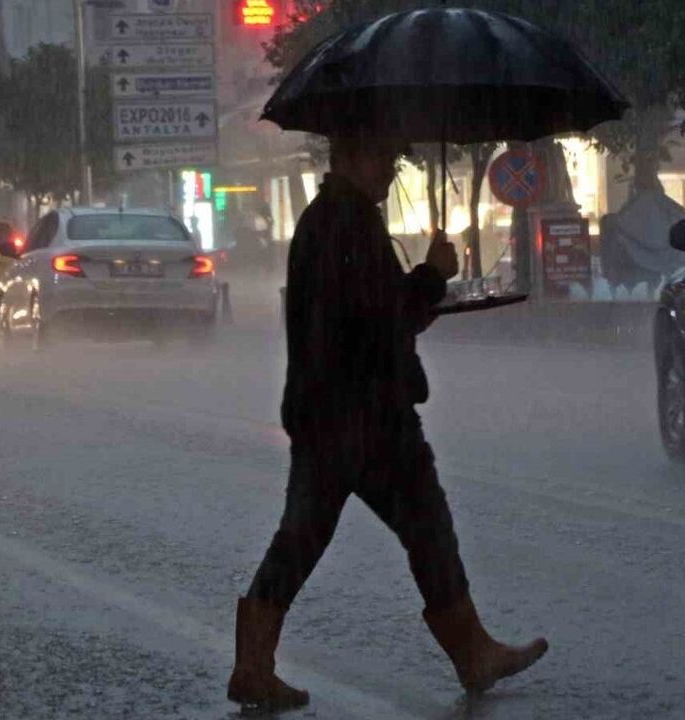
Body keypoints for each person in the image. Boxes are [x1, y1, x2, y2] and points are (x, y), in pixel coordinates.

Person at [227, 134, 548, 711]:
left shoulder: (331, 221)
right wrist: (430, 276)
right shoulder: (344, 225)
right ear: (347, 155)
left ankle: (254, 664)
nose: (389, 168)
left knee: (305, 538)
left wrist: (417, 298)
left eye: (392, 158)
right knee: (425, 526)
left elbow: (368, 315)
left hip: (331, 412)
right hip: (368, 416)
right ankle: (472, 652)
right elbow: (377, 316)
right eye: (380, 155)